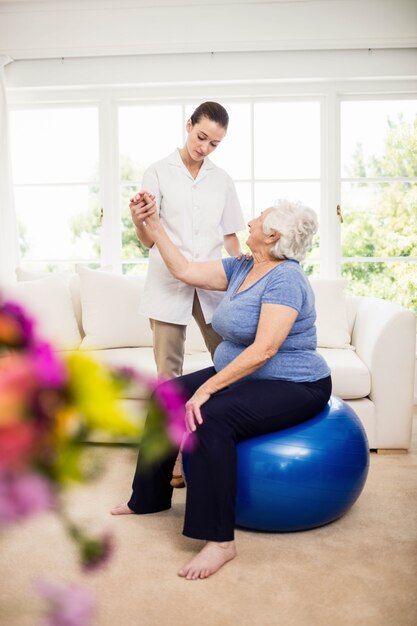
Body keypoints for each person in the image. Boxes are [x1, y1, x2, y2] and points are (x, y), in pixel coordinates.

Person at [112, 197, 332, 580]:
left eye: (259, 218)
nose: (249, 221)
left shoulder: (287, 279)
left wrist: (207, 389)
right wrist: (154, 225)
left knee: (209, 418)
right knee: (167, 396)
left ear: (273, 235)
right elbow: (182, 269)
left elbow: (265, 350)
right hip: (247, 374)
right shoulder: (243, 266)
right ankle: (148, 498)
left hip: (295, 384)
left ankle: (219, 541)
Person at [130, 101, 246, 487]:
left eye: (215, 143)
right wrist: (140, 219)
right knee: (169, 377)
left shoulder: (222, 179)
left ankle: (225, 445)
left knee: (228, 366)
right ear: (188, 125)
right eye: (201, 137)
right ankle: (174, 461)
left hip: (213, 283)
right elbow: (149, 238)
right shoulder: (158, 171)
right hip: (168, 283)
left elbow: (231, 235)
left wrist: (247, 274)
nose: (205, 148)